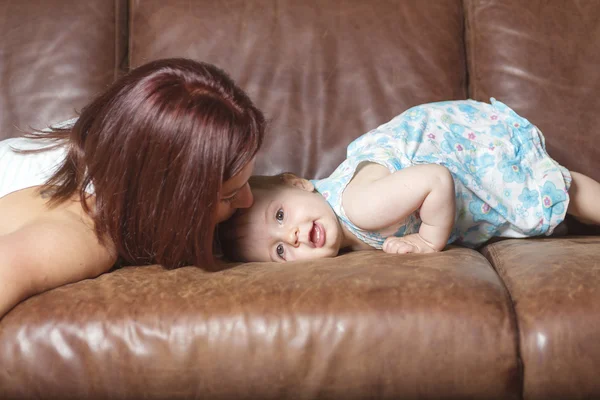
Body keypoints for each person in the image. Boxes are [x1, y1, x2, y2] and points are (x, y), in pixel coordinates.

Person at [0, 58, 265, 318]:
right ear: (166, 201)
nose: (248, 201)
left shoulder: (109, 135)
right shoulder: (84, 236)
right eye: (230, 196)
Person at [218, 98, 600, 263]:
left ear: (298, 182)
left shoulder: (359, 206)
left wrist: (428, 240)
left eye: (280, 216)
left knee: (559, 192)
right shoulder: (343, 220)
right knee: (561, 189)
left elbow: (436, 178)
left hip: (461, 150)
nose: (293, 237)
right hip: (447, 132)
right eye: (280, 252)